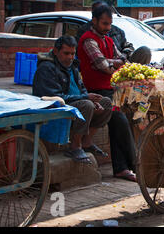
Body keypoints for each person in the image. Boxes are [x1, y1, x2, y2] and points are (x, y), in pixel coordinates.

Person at [77, 4, 138, 182]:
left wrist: (116, 62)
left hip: (111, 88)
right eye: (104, 24)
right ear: (94, 21)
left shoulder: (108, 40)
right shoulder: (88, 40)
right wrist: (116, 63)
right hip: (95, 90)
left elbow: (122, 59)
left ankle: (121, 167)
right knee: (119, 120)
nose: (107, 28)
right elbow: (103, 66)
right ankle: (132, 165)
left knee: (123, 121)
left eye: (109, 24)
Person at [32, 35, 112, 164]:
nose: (70, 57)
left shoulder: (72, 66)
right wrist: (86, 98)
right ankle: (75, 146)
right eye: (66, 53)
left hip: (76, 102)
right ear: (56, 51)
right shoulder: (47, 68)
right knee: (86, 104)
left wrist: (92, 99)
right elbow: (54, 97)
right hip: (56, 106)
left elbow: (81, 88)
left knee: (106, 103)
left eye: (72, 54)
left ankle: (87, 141)